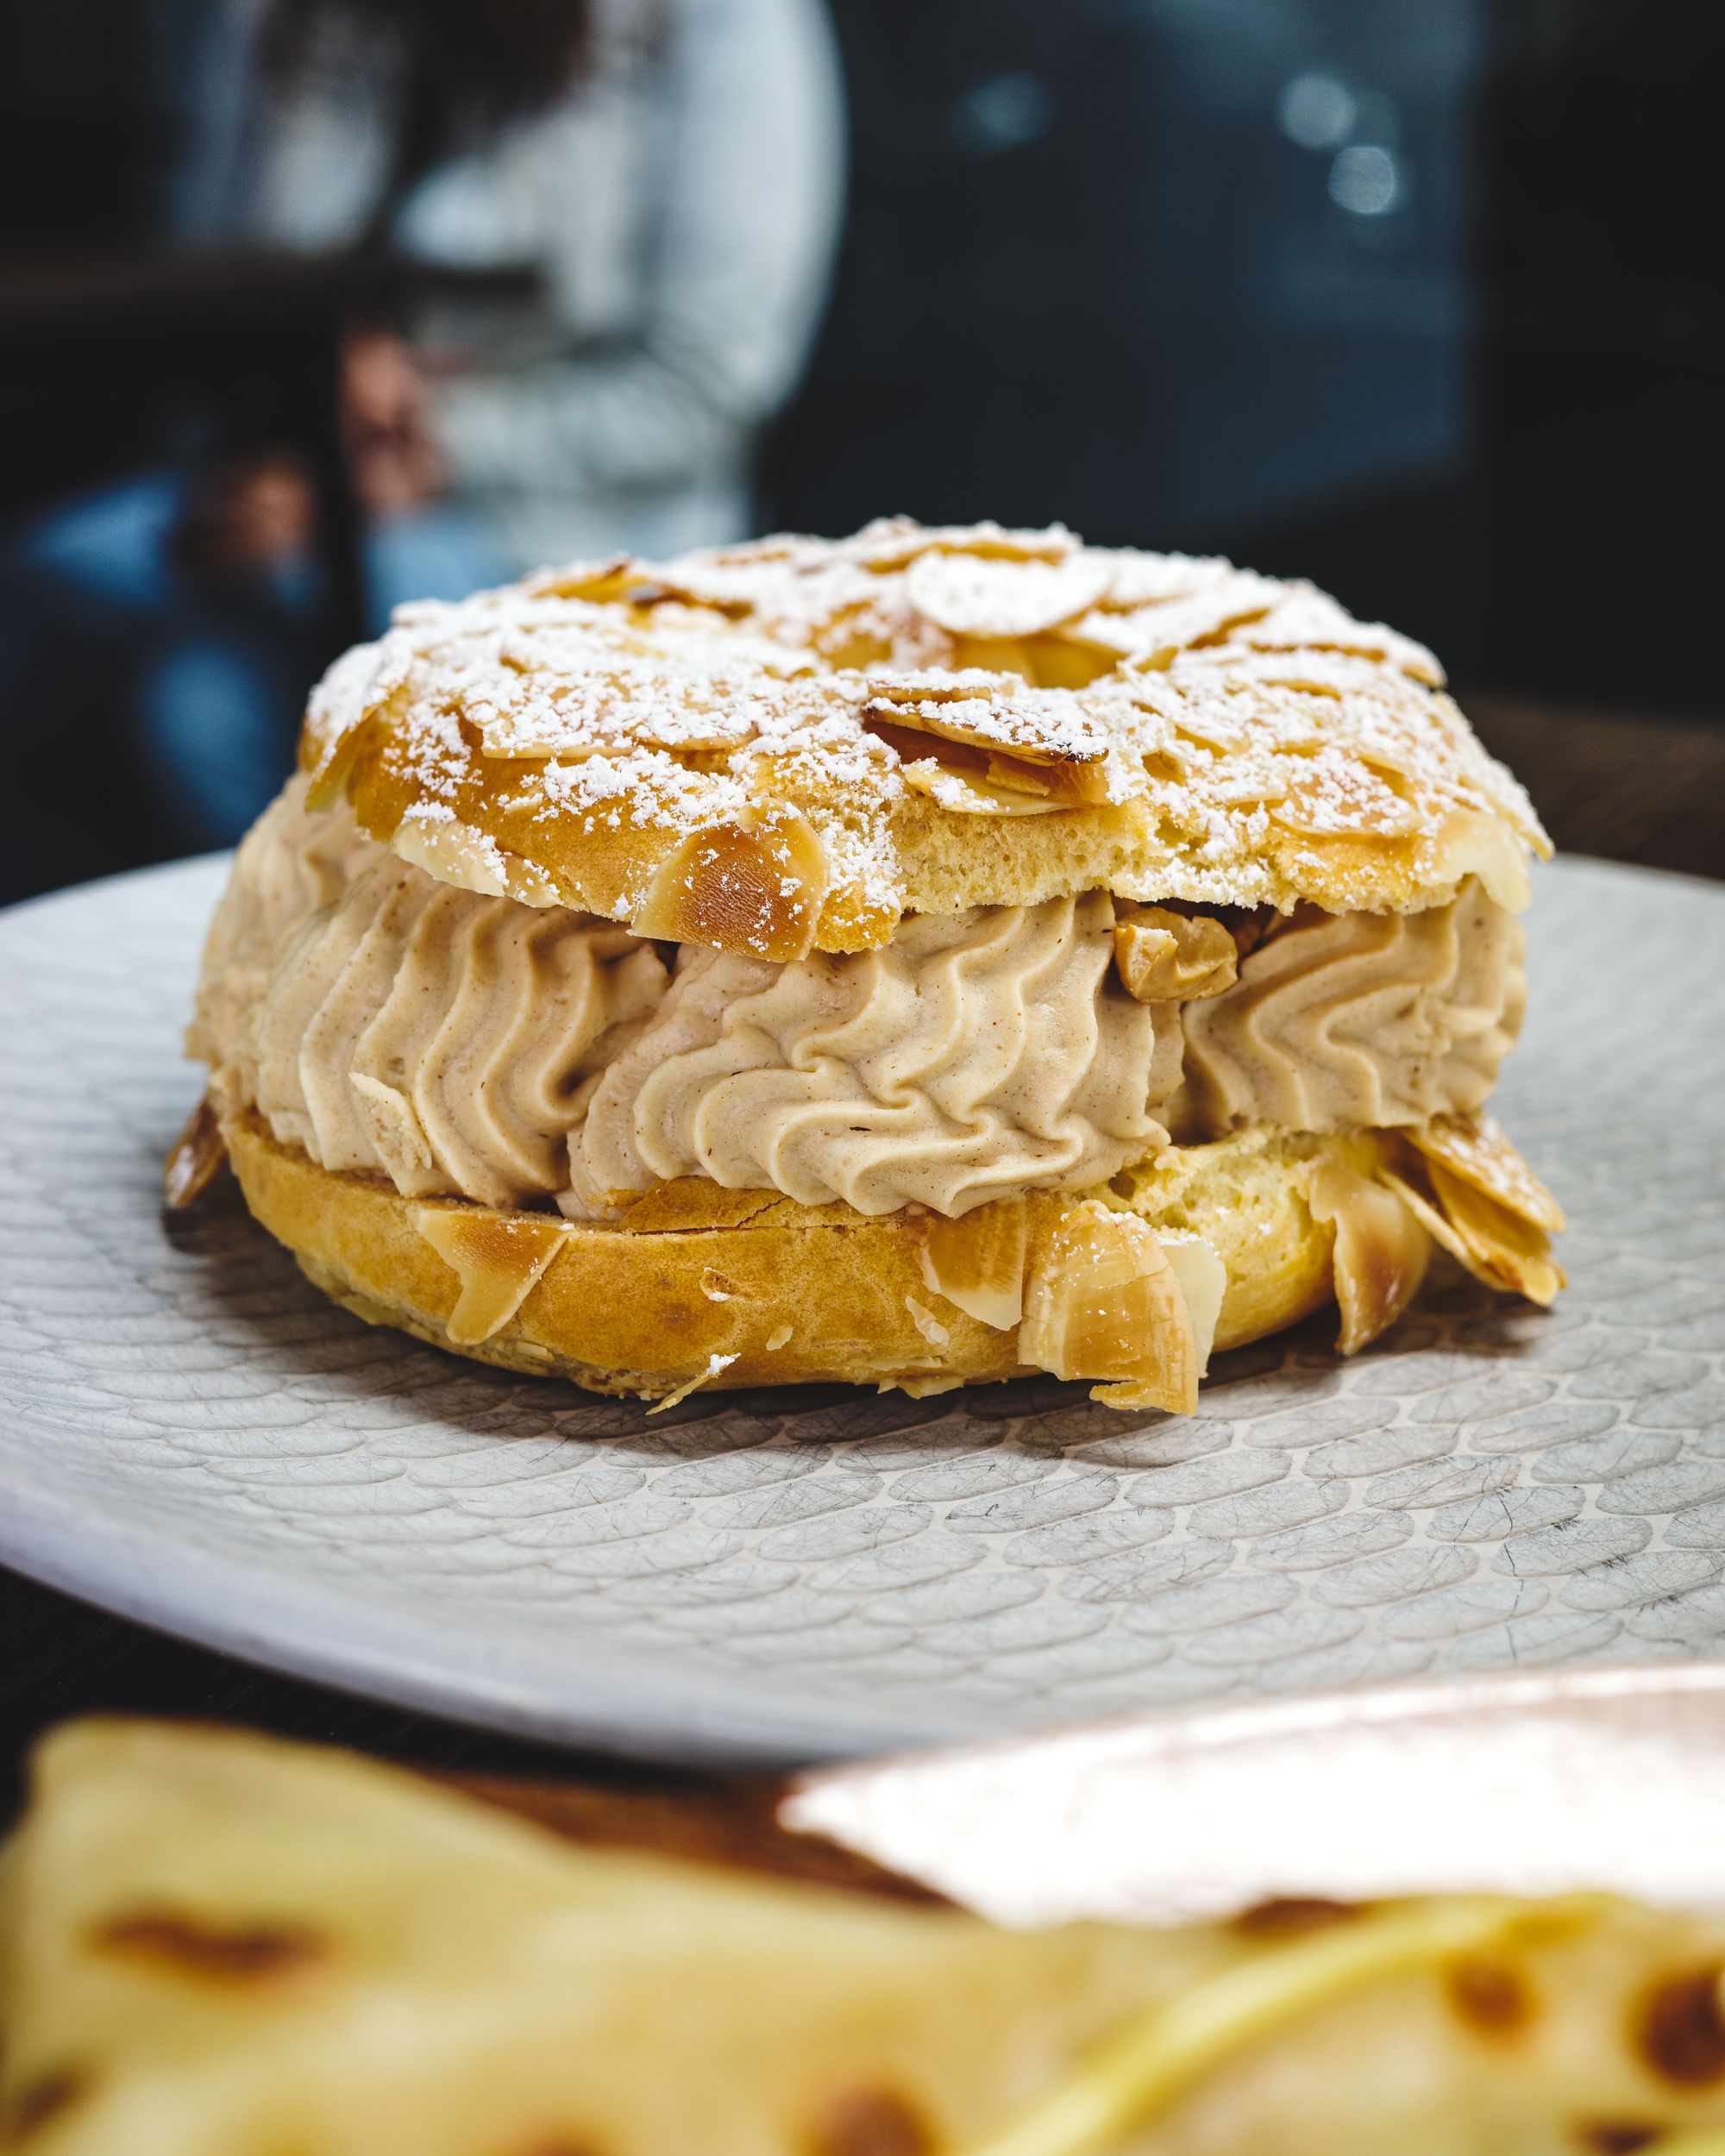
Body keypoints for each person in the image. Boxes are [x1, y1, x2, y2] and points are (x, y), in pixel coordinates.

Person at [5, 0, 844, 856]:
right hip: (299, 469)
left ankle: (369, 951)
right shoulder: (299, 22)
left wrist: (429, 444)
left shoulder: (720, 24)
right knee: (49, 580)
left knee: (197, 709)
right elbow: (231, 275)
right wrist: (301, 433)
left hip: (565, 526)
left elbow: (702, 386)